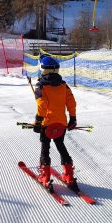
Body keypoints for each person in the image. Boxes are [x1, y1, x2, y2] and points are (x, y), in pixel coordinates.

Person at [33, 56, 77, 189]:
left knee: (45, 147)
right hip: (61, 124)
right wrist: (73, 118)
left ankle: (45, 176)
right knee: (60, 145)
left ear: (43, 70)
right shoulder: (63, 85)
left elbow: (42, 106)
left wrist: (38, 122)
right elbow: (71, 102)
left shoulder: (41, 86)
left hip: (47, 124)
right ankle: (68, 174)